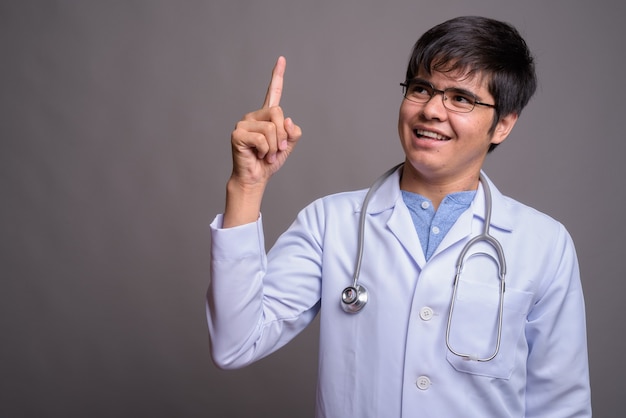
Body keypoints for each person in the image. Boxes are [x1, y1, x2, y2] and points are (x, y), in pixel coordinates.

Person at [207, 16, 592, 417]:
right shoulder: (331, 223)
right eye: (422, 88)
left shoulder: (544, 243)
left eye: (461, 98)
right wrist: (246, 187)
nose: (431, 111)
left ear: (504, 124)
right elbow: (234, 344)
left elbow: (561, 406)